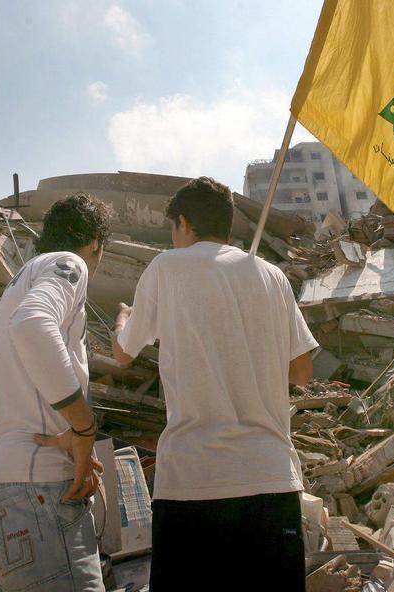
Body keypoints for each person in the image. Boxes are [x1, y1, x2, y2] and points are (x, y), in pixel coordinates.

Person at [113, 176, 317, 591]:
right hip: (270, 480)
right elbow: (301, 373)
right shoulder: (272, 277)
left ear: (183, 223)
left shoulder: (166, 267)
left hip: (192, 482)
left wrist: (122, 317)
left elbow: (122, 353)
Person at [0, 193, 111, 592]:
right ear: (94, 244)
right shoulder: (67, 264)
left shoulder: (13, 290)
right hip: (40, 491)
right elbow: (34, 326)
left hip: (3, 486)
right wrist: (84, 429)